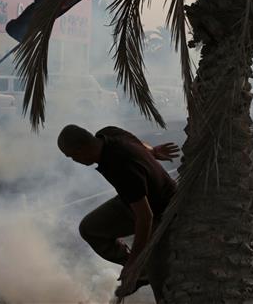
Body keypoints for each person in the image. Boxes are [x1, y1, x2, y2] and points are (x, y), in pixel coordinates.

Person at [57, 124, 180, 297]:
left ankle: (141, 269)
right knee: (89, 228)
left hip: (161, 209)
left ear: (81, 150)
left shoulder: (119, 167)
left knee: (161, 283)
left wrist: (134, 261)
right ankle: (141, 271)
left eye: (71, 156)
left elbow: (145, 218)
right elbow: (138, 144)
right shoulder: (108, 133)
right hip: (134, 199)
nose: (73, 160)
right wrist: (151, 151)